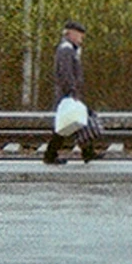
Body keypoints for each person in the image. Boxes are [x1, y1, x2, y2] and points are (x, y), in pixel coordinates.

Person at [42, 20, 100, 164]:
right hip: (67, 94)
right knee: (68, 125)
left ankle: (87, 152)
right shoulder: (66, 49)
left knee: (77, 122)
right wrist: (72, 91)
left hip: (69, 93)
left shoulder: (70, 49)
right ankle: (50, 156)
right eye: (79, 35)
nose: (81, 38)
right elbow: (66, 73)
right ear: (70, 33)